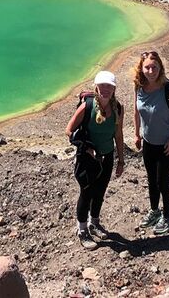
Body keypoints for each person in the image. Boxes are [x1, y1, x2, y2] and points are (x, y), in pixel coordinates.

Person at [65, 69, 124, 250]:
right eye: (102, 85)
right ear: (96, 87)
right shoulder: (87, 106)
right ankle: (82, 229)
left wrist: (121, 160)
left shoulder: (118, 108)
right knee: (86, 192)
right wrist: (87, 147)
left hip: (106, 157)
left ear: (114, 89)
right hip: (88, 159)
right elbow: (69, 131)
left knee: (100, 191)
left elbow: (118, 134)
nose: (105, 89)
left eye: (109, 86)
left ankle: (94, 222)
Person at [133, 49, 169, 234]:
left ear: (160, 68)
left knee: (163, 182)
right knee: (151, 180)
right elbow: (136, 111)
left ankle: (168, 218)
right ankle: (155, 211)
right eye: (147, 67)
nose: (151, 71)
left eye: (154, 67)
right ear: (141, 69)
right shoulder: (139, 87)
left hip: (167, 145)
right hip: (149, 143)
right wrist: (137, 134)